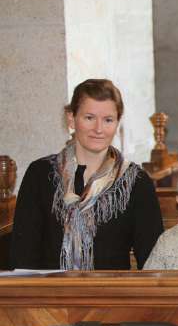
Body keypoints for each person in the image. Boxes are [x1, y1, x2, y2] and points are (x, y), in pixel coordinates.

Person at [10, 79, 163, 270]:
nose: (98, 129)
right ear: (71, 118)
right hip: (50, 288)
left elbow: (153, 263)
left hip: (113, 288)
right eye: (89, 118)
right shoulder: (40, 175)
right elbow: (23, 257)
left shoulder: (137, 182)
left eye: (108, 120)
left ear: (117, 122)